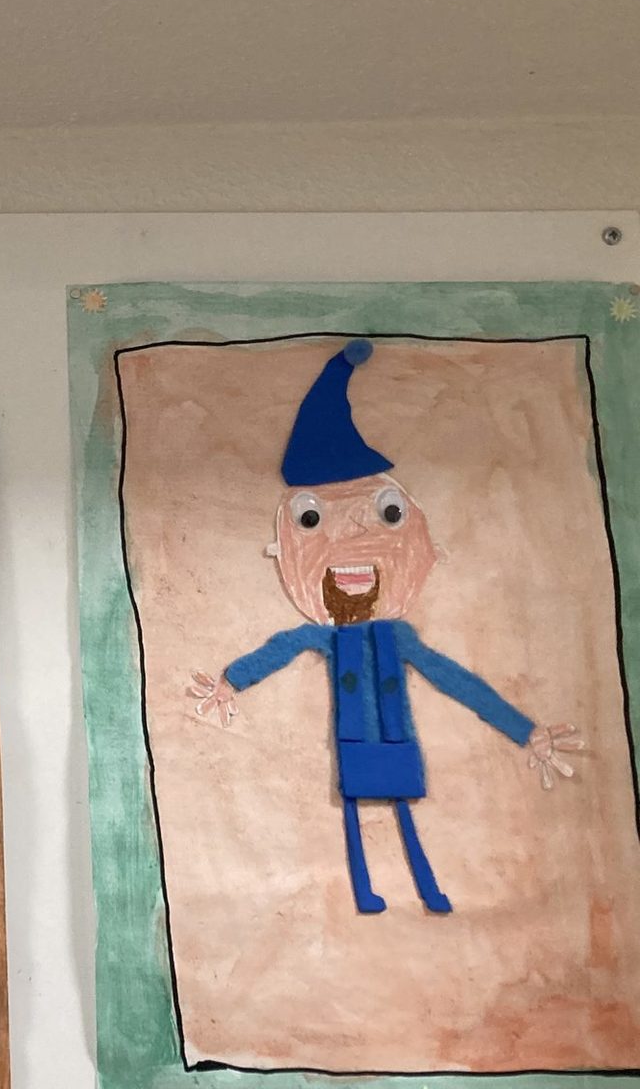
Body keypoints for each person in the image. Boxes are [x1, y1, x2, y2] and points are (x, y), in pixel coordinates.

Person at [190, 341, 582, 914]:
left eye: (385, 514)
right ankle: (367, 889)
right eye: (313, 519)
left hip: (396, 736)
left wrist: (525, 730)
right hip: (354, 737)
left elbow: (454, 679)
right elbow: (283, 647)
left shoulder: (398, 638)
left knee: (401, 807)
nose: (352, 539)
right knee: (354, 806)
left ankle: (426, 885)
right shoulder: (328, 638)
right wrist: (233, 679)